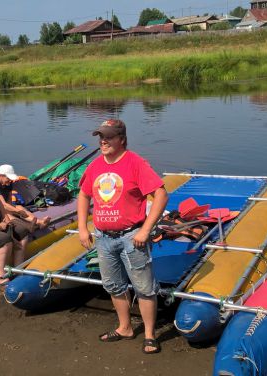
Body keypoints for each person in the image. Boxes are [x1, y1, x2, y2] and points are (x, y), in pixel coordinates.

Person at [77, 119, 168, 355]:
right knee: (113, 285)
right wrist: (82, 227)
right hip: (104, 237)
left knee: (144, 287)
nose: (103, 141)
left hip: (131, 236)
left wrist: (146, 229)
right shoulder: (95, 165)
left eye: (108, 137)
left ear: (122, 139)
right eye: (100, 137)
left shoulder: (135, 163)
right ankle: (125, 327)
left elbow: (160, 195)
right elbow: (84, 195)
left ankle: (149, 335)